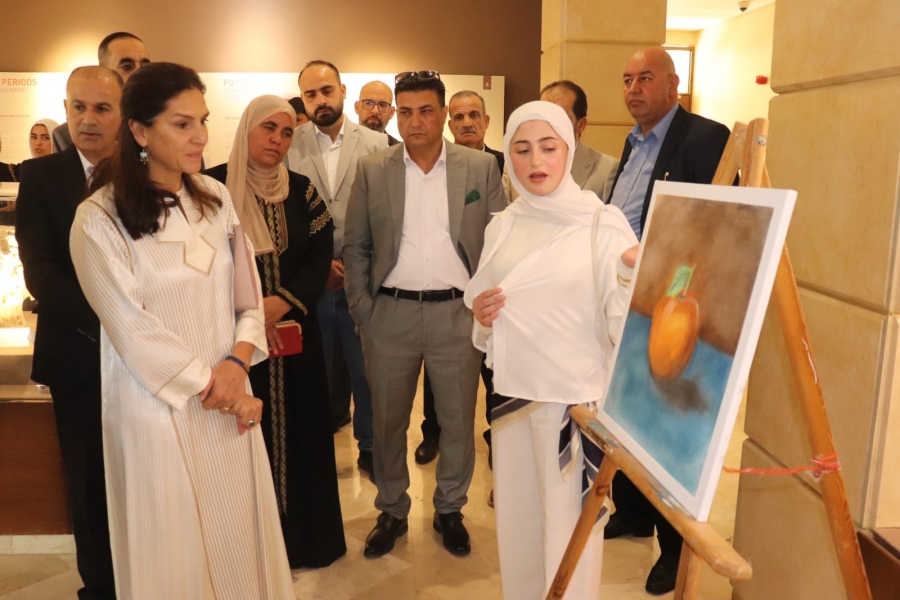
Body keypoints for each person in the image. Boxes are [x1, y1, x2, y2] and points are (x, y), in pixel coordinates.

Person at [68, 62, 294, 600]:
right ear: (141, 131)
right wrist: (217, 385)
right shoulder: (98, 218)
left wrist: (236, 366)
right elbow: (131, 329)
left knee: (238, 536)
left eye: (203, 121)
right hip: (156, 407)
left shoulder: (216, 198)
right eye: (182, 124)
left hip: (230, 398)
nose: (200, 137)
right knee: (171, 547)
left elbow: (248, 296)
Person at [465, 100, 638, 600]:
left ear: (570, 150)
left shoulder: (601, 224)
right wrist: (482, 316)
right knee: (519, 529)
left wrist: (629, 275)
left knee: (569, 539)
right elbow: (481, 308)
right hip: (511, 402)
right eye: (522, 149)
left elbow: (622, 324)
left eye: (548, 147)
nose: (536, 161)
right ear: (508, 155)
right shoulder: (504, 223)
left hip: (572, 408)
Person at [344, 70, 507, 559]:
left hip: (457, 315)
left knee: (457, 422)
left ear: (442, 114)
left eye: (427, 111)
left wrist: (484, 309)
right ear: (397, 114)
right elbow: (357, 246)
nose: (416, 121)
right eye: (407, 111)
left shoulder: (480, 168)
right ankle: (392, 508)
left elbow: (500, 244)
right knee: (388, 422)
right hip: (389, 315)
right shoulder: (373, 169)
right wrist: (364, 312)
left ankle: (449, 507)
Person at [604, 46, 732, 595]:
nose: (633, 89)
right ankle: (632, 512)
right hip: (625, 297)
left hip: (671, 300)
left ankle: (673, 549)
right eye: (626, 80)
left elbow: (713, 221)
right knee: (626, 414)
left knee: (659, 429)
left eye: (645, 78)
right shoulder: (632, 143)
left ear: (673, 84)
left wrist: (673, 283)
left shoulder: (704, 137)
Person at [206, 94, 346, 569]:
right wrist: (248, 313)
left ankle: (306, 543)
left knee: (303, 431)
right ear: (246, 129)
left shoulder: (302, 190)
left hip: (295, 336)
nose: (277, 140)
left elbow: (319, 255)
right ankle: (245, 547)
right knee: (240, 437)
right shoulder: (211, 188)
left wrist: (282, 301)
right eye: (268, 128)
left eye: (287, 132)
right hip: (233, 340)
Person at [16, 65, 124, 600]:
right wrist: (114, 322)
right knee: (86, 478)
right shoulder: (40, 177)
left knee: (142, 473)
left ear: (123, 115)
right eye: (79, 107)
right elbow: (41, 272)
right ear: (65, 110)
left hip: (144, 360)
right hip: (77, 354)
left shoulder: (147, 170)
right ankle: (99, 586)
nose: (88, 119)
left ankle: (146, 576)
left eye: (102, 108)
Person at [287, 60, 388, 478]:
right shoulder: (289, 144)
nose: (320, 100)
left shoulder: (377, 144)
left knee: (366, 373)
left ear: (343, 91)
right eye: (310, 94)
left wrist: (356, 263)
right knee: (312, 373)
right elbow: (285, 214)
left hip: (360, 280)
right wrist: (318, 266)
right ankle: (313, 452)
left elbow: (386, 214)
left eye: (326, 91)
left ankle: (370, 447)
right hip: (310, 283)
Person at [416, 89, 505, 468]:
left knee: (494, 372)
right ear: (448, 123)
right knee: (438, 372)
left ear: (486, 121)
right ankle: (432, 432)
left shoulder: (506, 163)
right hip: (449, 294)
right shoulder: (438, 168)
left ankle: (496, 436)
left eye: (474, 115)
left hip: (495, 291)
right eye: (458, 117)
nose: (467, 123)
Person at [53, 32, 151, 153]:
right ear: (105, 71)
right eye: (127, 67)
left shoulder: (157, 127)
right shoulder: (66, 135)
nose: (139, 74)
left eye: (144, 67)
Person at [354, 80, 400, 145]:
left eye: (382, 105)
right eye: (369, 103)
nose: (375, 111)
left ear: (391, 112)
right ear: (357, 107)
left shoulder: (400, 150)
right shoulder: (342, 145)